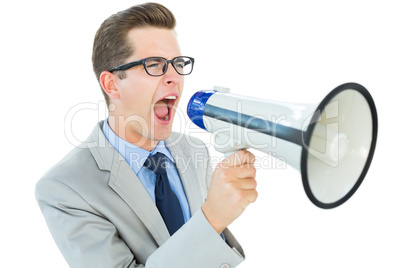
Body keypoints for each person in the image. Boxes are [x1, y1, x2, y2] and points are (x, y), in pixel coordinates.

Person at [35, 3, 257, 267]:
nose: (174, 77)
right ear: (111, 84)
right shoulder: (64, 188)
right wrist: (213, 219)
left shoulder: (194, 150)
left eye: (178, 63)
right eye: (154, 65)